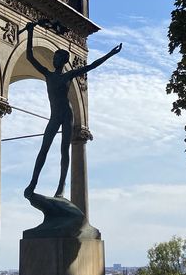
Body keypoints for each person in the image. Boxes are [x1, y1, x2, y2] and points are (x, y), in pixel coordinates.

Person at [22, 20, 122, 199]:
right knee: (44, 148)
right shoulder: (47, 74)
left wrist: (110, 54)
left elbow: (91, 66)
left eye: (58, 58)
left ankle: (61, 188)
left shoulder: (68, 75)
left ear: (63, 61)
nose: (54, 59)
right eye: (54, 57)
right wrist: (30, 32)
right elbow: (29, 56)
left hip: (67, 115)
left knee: (64, 150)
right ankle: (33, 183)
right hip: (55, 115)